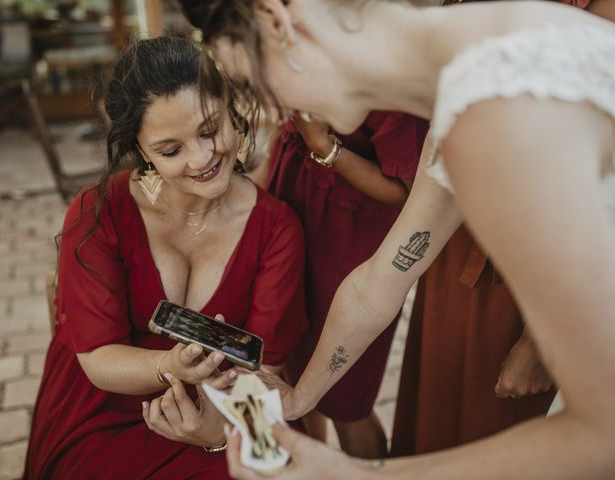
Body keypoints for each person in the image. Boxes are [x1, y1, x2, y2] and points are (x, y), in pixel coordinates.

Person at [180, 0, 615, 478]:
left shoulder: (493, 111)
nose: (273, 109)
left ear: (277, 19)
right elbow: (379, 283)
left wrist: (353, 474)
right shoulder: (477, 66)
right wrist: (299, 397)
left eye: (252, 84)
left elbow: (602, 434)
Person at [23, 35, 308, 479]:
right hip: (105, 410)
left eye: (211, 130)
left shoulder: (277, 229)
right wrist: (168, 366)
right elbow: (97, 355)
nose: (202, 158)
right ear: (141, 151)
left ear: (234, 110)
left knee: (276, 469)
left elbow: (263, 369)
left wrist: (216, 434)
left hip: (230, 404)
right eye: (171, 150)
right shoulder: (99, 212)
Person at [390, 0, 614, 456]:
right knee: (431, 412)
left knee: (489, 436)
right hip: (458, 232)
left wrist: (538, 342)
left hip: (534, 274)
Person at [263, 112, 428, 458]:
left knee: (346, 398)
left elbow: (409, 193)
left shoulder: (394, 101)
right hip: (294, 196)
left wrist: (325, 147)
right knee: (293, 361)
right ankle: (309, 459)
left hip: (350, 232)